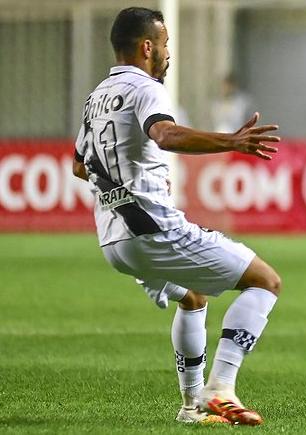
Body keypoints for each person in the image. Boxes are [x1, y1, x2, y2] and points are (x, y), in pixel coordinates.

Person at [71, 7, 282, 426]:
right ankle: (220, 388)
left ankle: (190, 407)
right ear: (148, 47)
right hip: (152, 230)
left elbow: (80, 165)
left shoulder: (97, 97)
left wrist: (124, 182)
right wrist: (232, 141)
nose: (168, 53)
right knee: (266, 281)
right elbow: (165, 135)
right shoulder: (145, 88)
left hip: (114, 238)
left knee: (193, 297)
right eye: (166, 44)